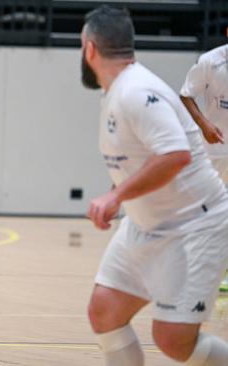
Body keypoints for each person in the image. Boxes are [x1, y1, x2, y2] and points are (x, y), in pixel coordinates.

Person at [80, 6, 228, 366]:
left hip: (195, 225)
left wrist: (115, 195)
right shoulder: (118, 89)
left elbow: (176, 154)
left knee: (173, 339)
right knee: (105, 312)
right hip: (146, 224)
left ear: (90, 49)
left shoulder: (137, 91)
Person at [180, 30, 228, 294]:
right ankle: (199, 268)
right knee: (208, 211)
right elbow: (186, 94)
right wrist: (204, 124)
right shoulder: (210, 61)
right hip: (215, 151)